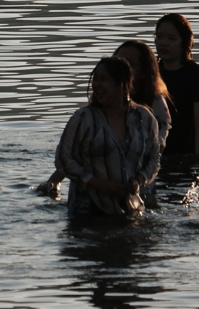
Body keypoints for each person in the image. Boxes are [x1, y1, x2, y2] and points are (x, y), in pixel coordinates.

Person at [38, 40, 170, 197]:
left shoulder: (150, 114)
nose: (122, 66)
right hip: (90, 203)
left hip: (137, 196)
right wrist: (54, 182)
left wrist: (138, 181)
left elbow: (154, 156)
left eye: (129, 63)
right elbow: (70, 155)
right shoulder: (87, 116)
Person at [55, 57, 161, 218]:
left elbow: (154, 159)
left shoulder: (144, 118)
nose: (97, 85)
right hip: (86, 210)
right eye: (95, 79)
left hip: (129, 208)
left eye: (104, 80)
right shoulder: (83, 118)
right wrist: (97, 184)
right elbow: (63, 158)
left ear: (122, 85)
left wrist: (138, 180)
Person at [155, 13, 199, 155]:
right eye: (159, 37)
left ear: (184, 42)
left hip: (185, 152)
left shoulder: (196, 75)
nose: (163, 43)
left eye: (171, 38)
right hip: (156, 151)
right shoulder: (152, 72)